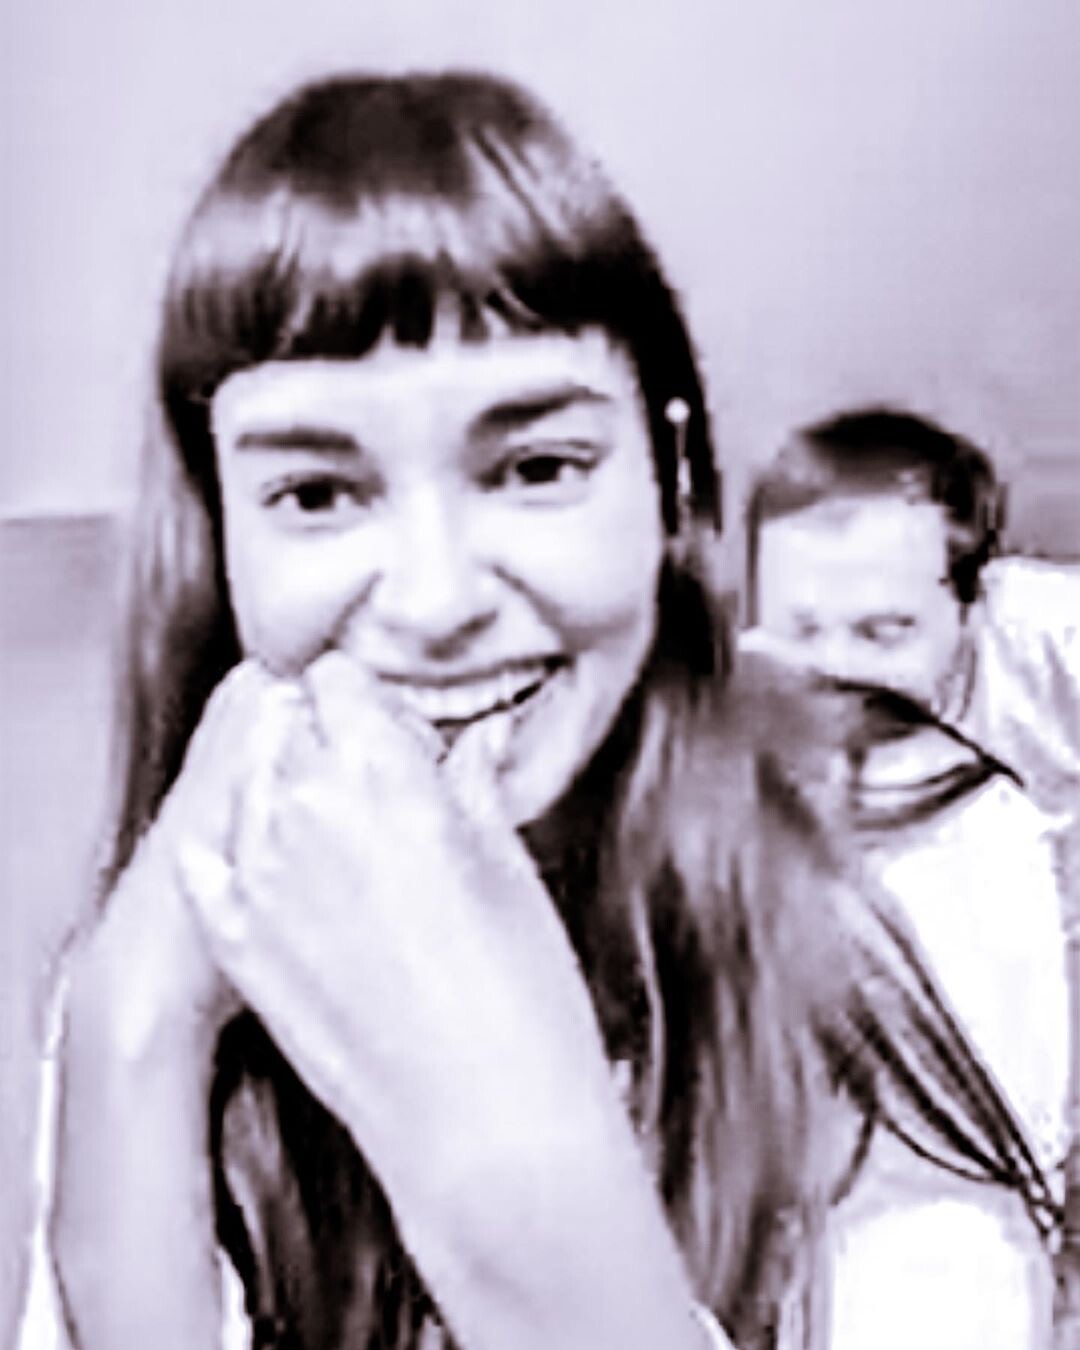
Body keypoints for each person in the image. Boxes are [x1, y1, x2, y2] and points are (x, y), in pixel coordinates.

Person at [18, 78, 1061, 1350]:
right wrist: (128, 1034)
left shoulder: (921, 853)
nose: (436, 602)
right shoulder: (188, 931)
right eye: (316, 494)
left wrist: (516, 1186)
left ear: (673, 475)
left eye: (536, 468)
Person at [744, 405, 1078, 1339]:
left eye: (883, 633)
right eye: (801, 628)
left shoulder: (1058, 646)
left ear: (975, 606)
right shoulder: (746, 707)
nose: (834, 668)